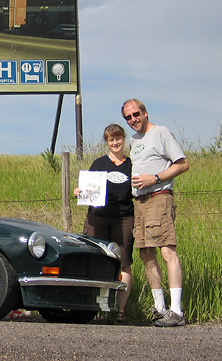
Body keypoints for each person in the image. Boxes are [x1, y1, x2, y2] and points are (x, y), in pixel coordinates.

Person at [121, 98, 189, 327]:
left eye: (136, 114)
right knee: (145, 254)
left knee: (167, 251)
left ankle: (176, 310)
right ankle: (159, 309)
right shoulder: (133, 140)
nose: (133, 120)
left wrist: (155, 178)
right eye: (128, 117)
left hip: (159, 198)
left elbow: (182, 164)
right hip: (139, 203)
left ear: (145, 112)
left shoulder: (161, 133)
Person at [74, 124, 134, 320]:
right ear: (106, 142)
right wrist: (78, 192)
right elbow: (87, 189)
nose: (115, 142)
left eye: (118, 138)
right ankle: (94, 308)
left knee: (123, 263)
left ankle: (121, 311)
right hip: (97, 218)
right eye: (111, 140)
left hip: (124, 219)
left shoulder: (132, 165)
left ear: (124, 139)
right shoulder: (99, 164)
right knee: (96, 261)